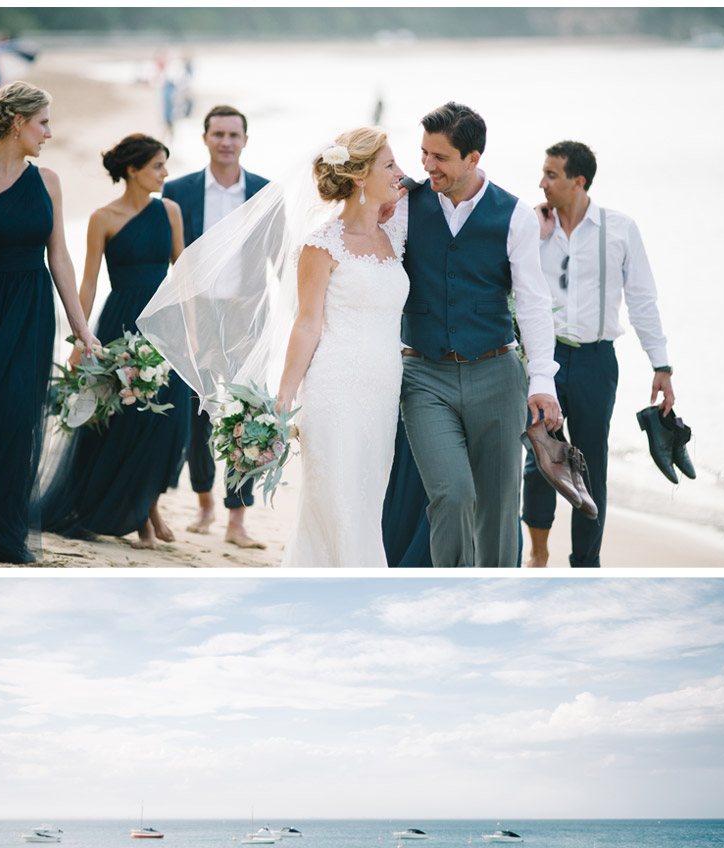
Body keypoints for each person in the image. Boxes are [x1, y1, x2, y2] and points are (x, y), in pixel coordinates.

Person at [395, 100, 562, 568]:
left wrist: (542, 381)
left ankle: (496, 600)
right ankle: (451, 592)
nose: (427, 165)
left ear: (473, 158)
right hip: (424, 375)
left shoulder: (514, 215)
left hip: (497, 374)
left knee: (500, 506)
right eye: (424, 153)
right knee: (451, 495)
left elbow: (532, 303)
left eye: (440, 157)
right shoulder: (405, 205)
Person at [0, 80, 95, 563]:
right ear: (18, 124)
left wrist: (81, 326)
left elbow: (61, 257)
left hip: (33, 310)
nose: (48, 133)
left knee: (18, 417)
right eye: (44, 123)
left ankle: (2, 528)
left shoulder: (48, 180)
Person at [523, 137, 675, 570]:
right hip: (544, 361)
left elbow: (643, 299)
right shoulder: (533, 226)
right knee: (540, 460)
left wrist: (660, 365)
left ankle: (585, 563)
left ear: (578, 181)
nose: (542, 183)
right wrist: (534, 236)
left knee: (590, 467)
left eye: (551, 175)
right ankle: (537, 554)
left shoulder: (620, 229)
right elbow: (510, 285)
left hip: (595, 362)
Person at [43, 136, 191, 549]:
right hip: (120, 325)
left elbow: (182, 274)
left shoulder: (171, 211)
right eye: (158, 166)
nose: (165, 173)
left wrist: (191, 332)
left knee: (164, 422)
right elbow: (88, 282)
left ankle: (149, 505)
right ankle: (143, 517)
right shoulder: (102, 218)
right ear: (132, 170)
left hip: (163, 325)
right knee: (125, 420)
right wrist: (79, 339)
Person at [276, 129, 409, 570]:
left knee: (366, 505)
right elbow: (307, 325)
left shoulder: (395, 235)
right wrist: (282, 402)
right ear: (359, 176)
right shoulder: (320, 244)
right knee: (336, 506)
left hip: (383, 395)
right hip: (334, 391)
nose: (400, 173)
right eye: (389, 165)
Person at [167, 107, 270, 548]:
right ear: (205, 138)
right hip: (198, 312)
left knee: (248, 416)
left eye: (234, 134)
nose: (226, 141)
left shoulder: (266, 193)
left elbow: (282, 258)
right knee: (199, 412)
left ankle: (237, 519)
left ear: (246, 139)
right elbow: (172, 262)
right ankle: (205, 501)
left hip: (248, 315)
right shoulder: (178, 191)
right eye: (218, 134)